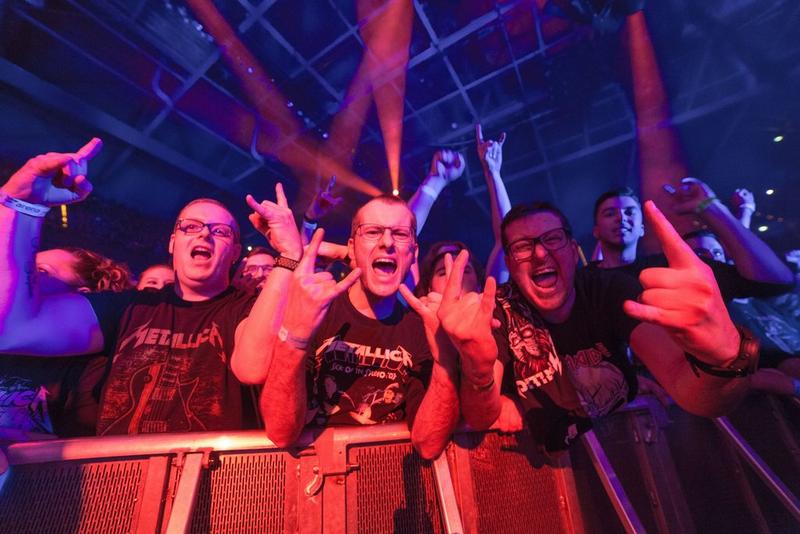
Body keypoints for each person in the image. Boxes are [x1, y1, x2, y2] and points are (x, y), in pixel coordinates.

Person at [0, 139, 297, 435]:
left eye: (220, 231)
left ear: (234, 253)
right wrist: (22, 204)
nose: (204, 235)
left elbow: (254, 366)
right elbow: (14, 329)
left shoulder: (248, 308)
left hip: (213, 464)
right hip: (119, 467)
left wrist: (289, 254)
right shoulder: (129, 308)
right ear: (172, 243)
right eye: (190, 227)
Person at [437, 200, 757, 452]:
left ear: (572, 248)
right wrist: (478, 367)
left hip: (633, 454)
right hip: (546, 477)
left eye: (552, 238)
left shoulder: (607, 290)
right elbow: (481, 417)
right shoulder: (498, 311)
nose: (540, 253)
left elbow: (694, 394)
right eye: (522, 246)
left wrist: (724, 357)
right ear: (509, 262)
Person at [261, 194, 460, 459]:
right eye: (373, 232)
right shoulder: (316, 312)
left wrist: (446, 359)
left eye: (400, 234)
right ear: (352, 249)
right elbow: (280, 432)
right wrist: (295, 338)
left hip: (385, 475)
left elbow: (429, 445)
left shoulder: (422, 329)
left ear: (413, 253)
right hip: (311, 473)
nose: (387, 242)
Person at [1, 247, 131, 440]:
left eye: (42, 270)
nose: (23, 274)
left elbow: (78, 447)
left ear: (81, 296)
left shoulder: (88, 369)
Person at [589, 180, 794, 299]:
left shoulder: (672, 267)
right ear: (596, 231)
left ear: (642, 228)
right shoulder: (583, 282)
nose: (621, 218)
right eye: (610, 213)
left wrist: (710, 207)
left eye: (629, 212)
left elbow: (775, 281)